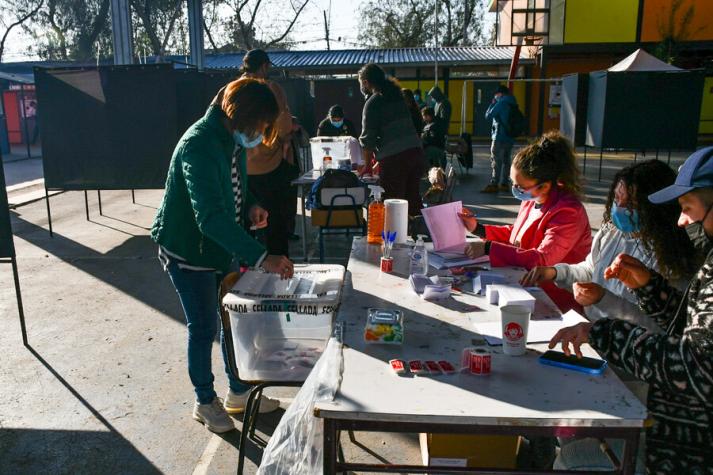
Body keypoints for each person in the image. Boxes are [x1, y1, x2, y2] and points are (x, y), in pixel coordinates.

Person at [549, 146, 713, 473]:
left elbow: (696, 368)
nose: (681, 221)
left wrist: (604, 332)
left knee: (571, 459)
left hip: (686, 452)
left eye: (687, 208)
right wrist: (650, 288)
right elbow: (690, 328)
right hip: (675, 429)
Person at [151, 77, 294, 434]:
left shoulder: (229, 139)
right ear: (243, 117)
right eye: (260, 127)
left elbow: (233, 188)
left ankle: (240, 393)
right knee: (203, 328)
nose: (260, 136)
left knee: (231, 319)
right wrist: (263, 257)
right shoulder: (199, 144)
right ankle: (204, 401)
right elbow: (209, 216)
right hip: (188, 250)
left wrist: (250, 207)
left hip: (218, 246)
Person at [521, 160, 697, 326]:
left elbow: (657, 324)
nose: (619, 207)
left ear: (655, 207)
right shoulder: (611, 232)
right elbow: (592, 269)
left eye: (630, 203)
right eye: (617, 199)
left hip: (626, 346)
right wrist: (556, 273)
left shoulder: (672, 258)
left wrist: (602, 298)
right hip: (593, 330)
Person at [459, 131, 592, 312]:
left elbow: (543, 259)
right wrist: (479, 229)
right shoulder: (533, 199)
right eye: (512, 183)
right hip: (524, 285)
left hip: (556, 298)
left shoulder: (569, 212)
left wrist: (489, 248)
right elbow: (517, 234)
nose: (515, 190)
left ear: (544, 185)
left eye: (520, 186)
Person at [241, 49, 297, 257]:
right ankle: (279, 266)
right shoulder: (271, 88)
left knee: (244, 222)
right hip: (271, 166)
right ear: (264, 66)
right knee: (275, 223)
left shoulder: (231, 89)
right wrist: (284, 141)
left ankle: (245, 269)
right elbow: (283, 123)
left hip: (241, 167)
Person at [359, 63, 425, 216]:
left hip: (396, 161)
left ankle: (395, 239)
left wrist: (368, 165)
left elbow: (368, 139)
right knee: (413, 201)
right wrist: (380, 161)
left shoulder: (373, 103)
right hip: (416, 154)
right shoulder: (397, 97)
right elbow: (399, 133)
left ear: (366, 82)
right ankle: (419, 236)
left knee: (393, 204)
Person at [482, 85, 518, 193]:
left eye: (496, 94)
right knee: (506, 160)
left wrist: (492, 103)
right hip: (510, 136)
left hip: (499, 136)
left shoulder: (501, 103)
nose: (495, 96)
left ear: (500, 94)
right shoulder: (513, 103)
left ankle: (494, 183)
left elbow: (488, 115)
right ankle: (504, 183)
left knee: (496, 160)